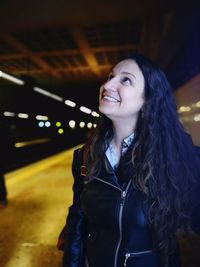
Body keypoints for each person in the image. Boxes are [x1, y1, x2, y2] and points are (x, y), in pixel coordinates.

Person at [60, 53, 200, 267]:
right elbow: (77, 222)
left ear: (147, 100)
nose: (107, 85)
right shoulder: (85, 156)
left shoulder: (172, 156)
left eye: (125, 80)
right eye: (110, 76)